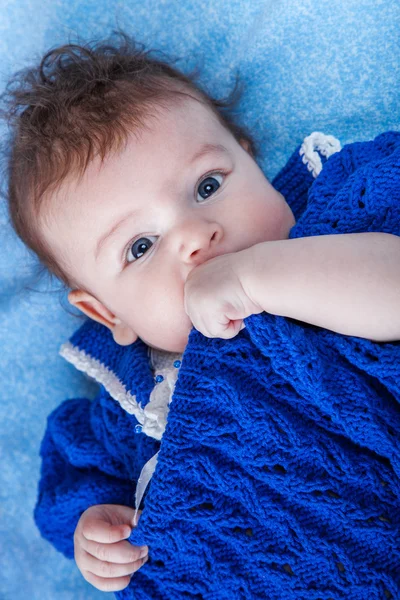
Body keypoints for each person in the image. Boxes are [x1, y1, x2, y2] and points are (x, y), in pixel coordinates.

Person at [2, 31, 400, 597]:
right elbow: (74, 488)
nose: (193, 237)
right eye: (140, 247)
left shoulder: (342, 216)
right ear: (106, 312)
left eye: (208, 185)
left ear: (250, 157)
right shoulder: (127, 409)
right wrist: (92, 533)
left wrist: (257, 277)